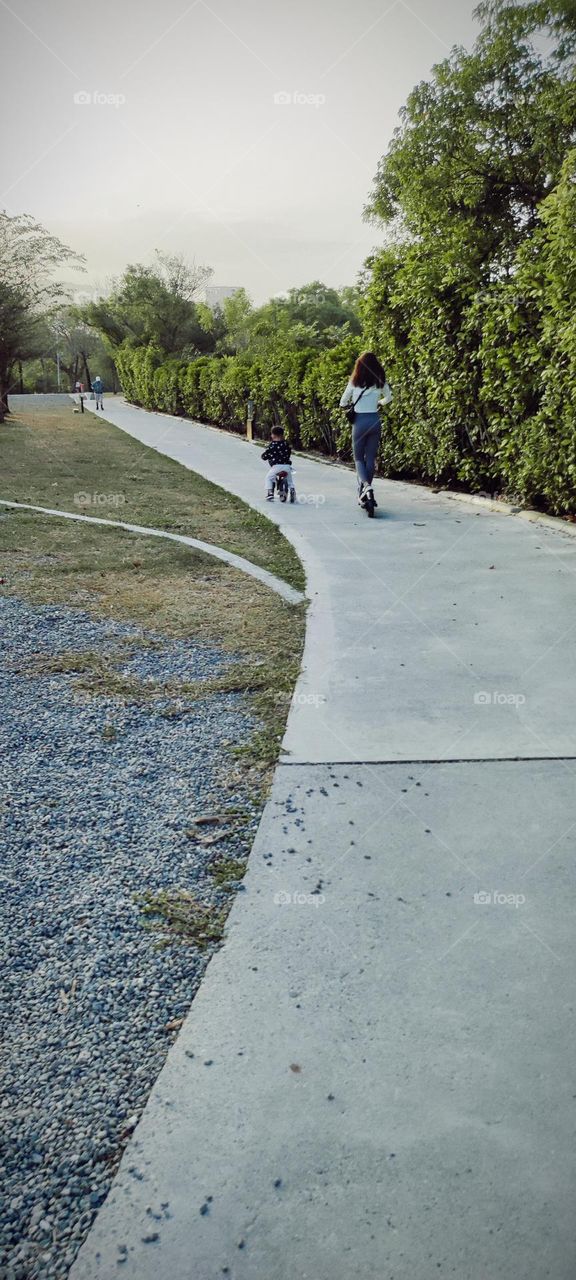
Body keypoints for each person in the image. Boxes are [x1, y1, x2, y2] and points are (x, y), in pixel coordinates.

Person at [340, 351, 389, 507]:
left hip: (359, 422)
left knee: (359, 458)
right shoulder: (380, 381)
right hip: (374, 420)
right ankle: (367, 491)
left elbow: (343, 402)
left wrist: (348, 406)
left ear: (359, 366)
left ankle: (366, 486)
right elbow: (389, 397)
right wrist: (379, 403)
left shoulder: (354, 382)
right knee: (370, 457)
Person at [261, 426, 295, 501]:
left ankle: (270, 493)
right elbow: (289, 453)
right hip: (287, 466)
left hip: (276, 466)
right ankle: (292, 490)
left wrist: (263, 456)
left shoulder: (272, 445)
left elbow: (266, 455)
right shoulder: (286, 444)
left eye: (271, 434)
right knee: (290, 480)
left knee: (269, 478)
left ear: (274, 435)